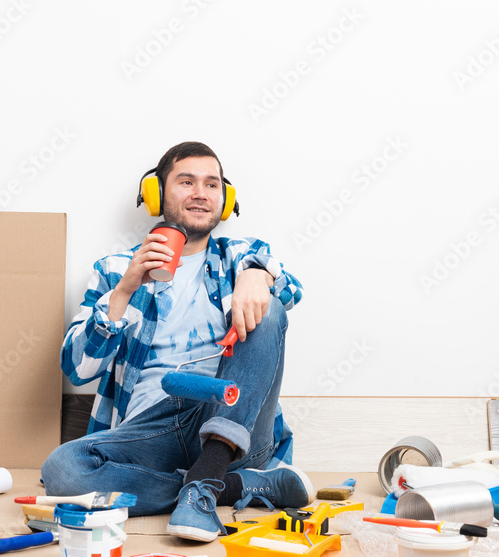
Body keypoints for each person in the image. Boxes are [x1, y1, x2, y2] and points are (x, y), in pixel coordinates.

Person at [42, 141, 311, 542]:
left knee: (269, 309)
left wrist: (260, 276)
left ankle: (208, 476)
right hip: (151, 432)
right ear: (156, 194)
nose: (201, 193)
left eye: (212, 184)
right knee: (62, 470)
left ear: (225, 199)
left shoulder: (242, 257)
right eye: (186, 181)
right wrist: (124, 292)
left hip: (229, 416)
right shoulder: (116, 269)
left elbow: (291, 293)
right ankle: (235, 486)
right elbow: (77, 369)